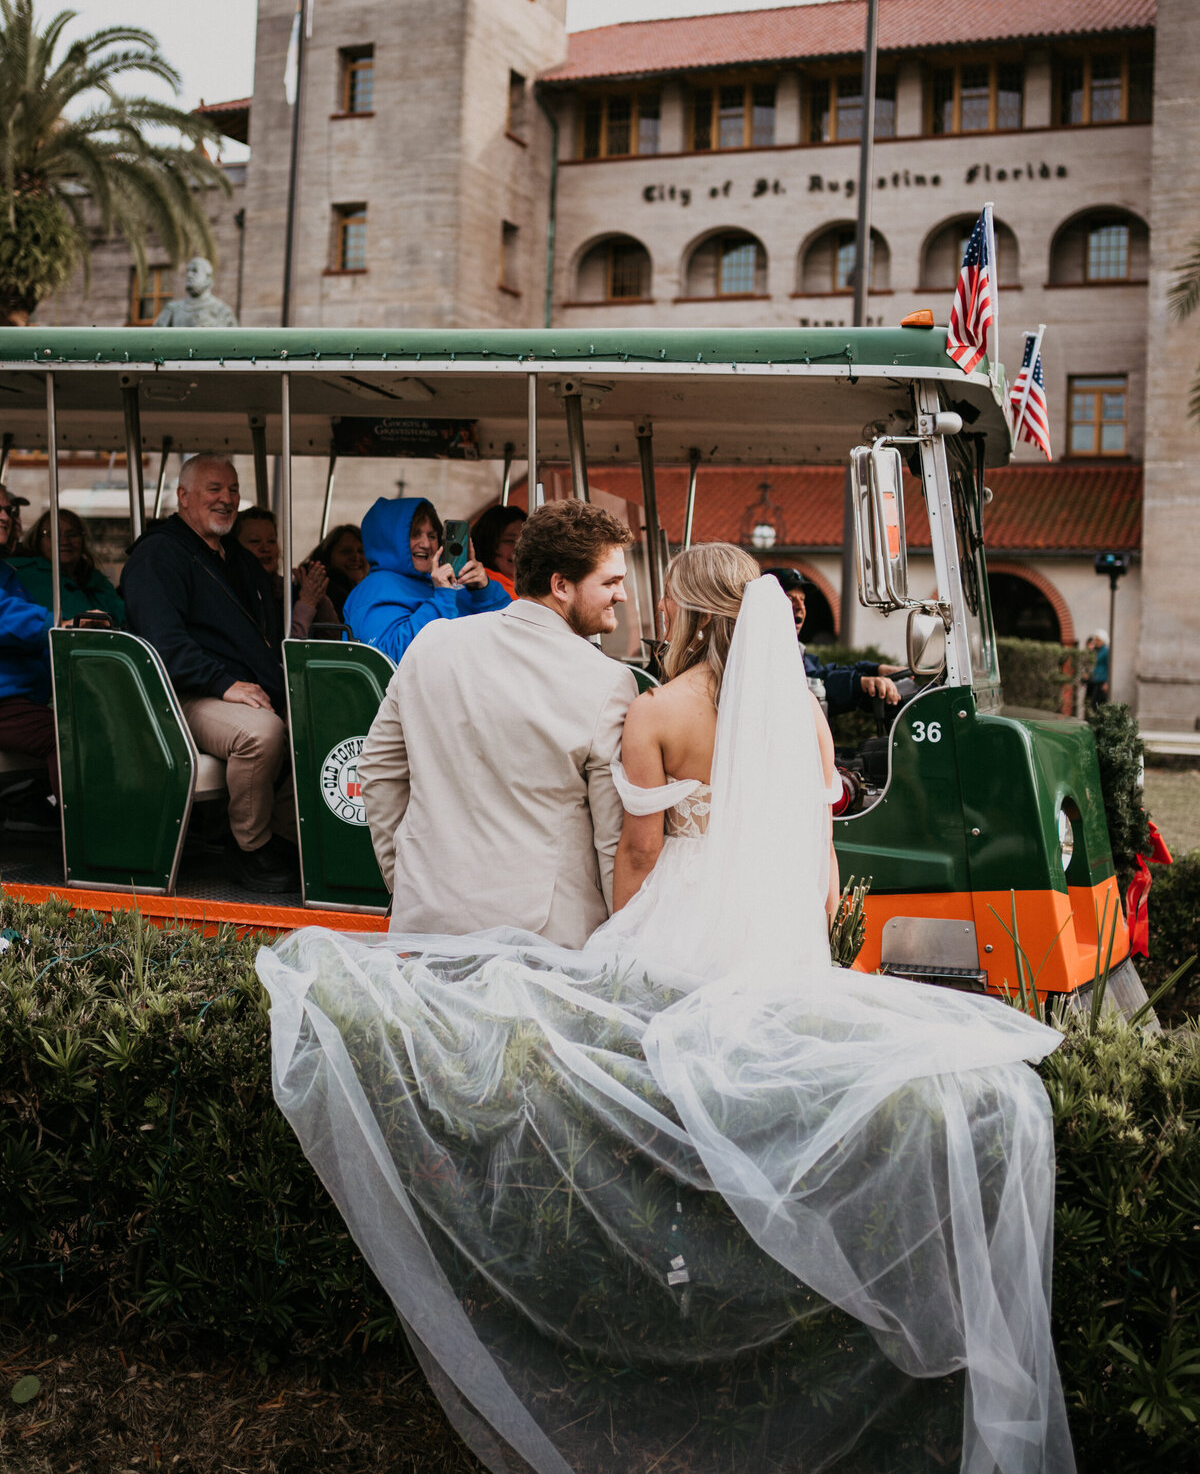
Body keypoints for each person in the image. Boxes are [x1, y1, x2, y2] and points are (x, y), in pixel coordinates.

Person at [259, 543, 1074, 1474]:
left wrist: (620, 936)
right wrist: (815, 940)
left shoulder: (653, 708)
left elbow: (637, 855)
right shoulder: (803, 712)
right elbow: (824, 853)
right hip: (776, 926)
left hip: (680, 918)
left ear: (687, 612)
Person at [358, 498, 638, 946]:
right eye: (612, 582)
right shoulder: (609, 681)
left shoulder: (432, 643)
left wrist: (408, 882)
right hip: (546, 939)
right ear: (561, 585)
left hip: (427, 922)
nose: (621, 595)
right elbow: (611, 840)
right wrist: (616, 946)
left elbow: (376, 772)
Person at [121, 455, 297, 891]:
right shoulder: (158, 555)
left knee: (316, 724)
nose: (227, 499)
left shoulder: (236, 557)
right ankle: (250, 847)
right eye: (214, 489)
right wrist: (224, 684)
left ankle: (283, 837)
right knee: (261, 733)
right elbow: (164, 645)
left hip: (236, 688)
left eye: (233, 490)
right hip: (178, 692)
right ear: (183, 497)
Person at [343, 495, 510, 662]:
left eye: (432, 536)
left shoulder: (441, 584)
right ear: (389, 539)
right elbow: (388, 658)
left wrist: (483, 590)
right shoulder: (376, 588)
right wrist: (442, 598)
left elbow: (509, 631)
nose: (426, 544)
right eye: (415, 534)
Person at [763, 565, 902, 716]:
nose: (800, 607)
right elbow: (809, 684)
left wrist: (875, 670)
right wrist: (857, 683)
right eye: (790, 599)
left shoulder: (795, 649)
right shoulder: (766, 651)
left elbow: (819, 673)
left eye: (802, 599)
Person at [0, 552, 58, 834]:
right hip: (5, 701)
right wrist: (58, 624)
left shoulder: (7, 571)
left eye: (8, 510)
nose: (4, 516)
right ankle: (92, 843)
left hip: (21, 697)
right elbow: (8, 618)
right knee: (68, 736)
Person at [235, 506, 338, 639]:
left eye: (271, 541)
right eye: (255, 541)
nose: (265, 548)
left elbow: (334, 638)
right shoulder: (236, 592)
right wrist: (306, 603)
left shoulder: (288, 590)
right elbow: (285, 651)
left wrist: (318, 597)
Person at [9, 509, 125, 625]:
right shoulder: (23, 574)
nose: (64, 541)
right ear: (38, 539)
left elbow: (123, 616)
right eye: (53, 534)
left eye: (72, 534)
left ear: (82, 539)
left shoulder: (96, 579)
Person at [307, 523, 367, 622]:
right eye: (346, 551)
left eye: (361, 551)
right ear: (327, 556)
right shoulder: (329, 593)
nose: (356, 557)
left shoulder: (375, 590)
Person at [469, 503, 526, 600]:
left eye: (525, 540)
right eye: (509, 541)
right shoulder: (481, 585)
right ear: (487, 544)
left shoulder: (528, 588)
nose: (519, 548)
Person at [1085, 630, 1110, 707]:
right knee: (1089, 702)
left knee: (1097, 704)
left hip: (1100, 681)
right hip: (1092, 680)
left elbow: (1108, 666)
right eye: (1096, 640)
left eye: (1098, 640)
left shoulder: (1106, 651)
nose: (1097, 642)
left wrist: (1107, 682)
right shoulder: (1094, 650)